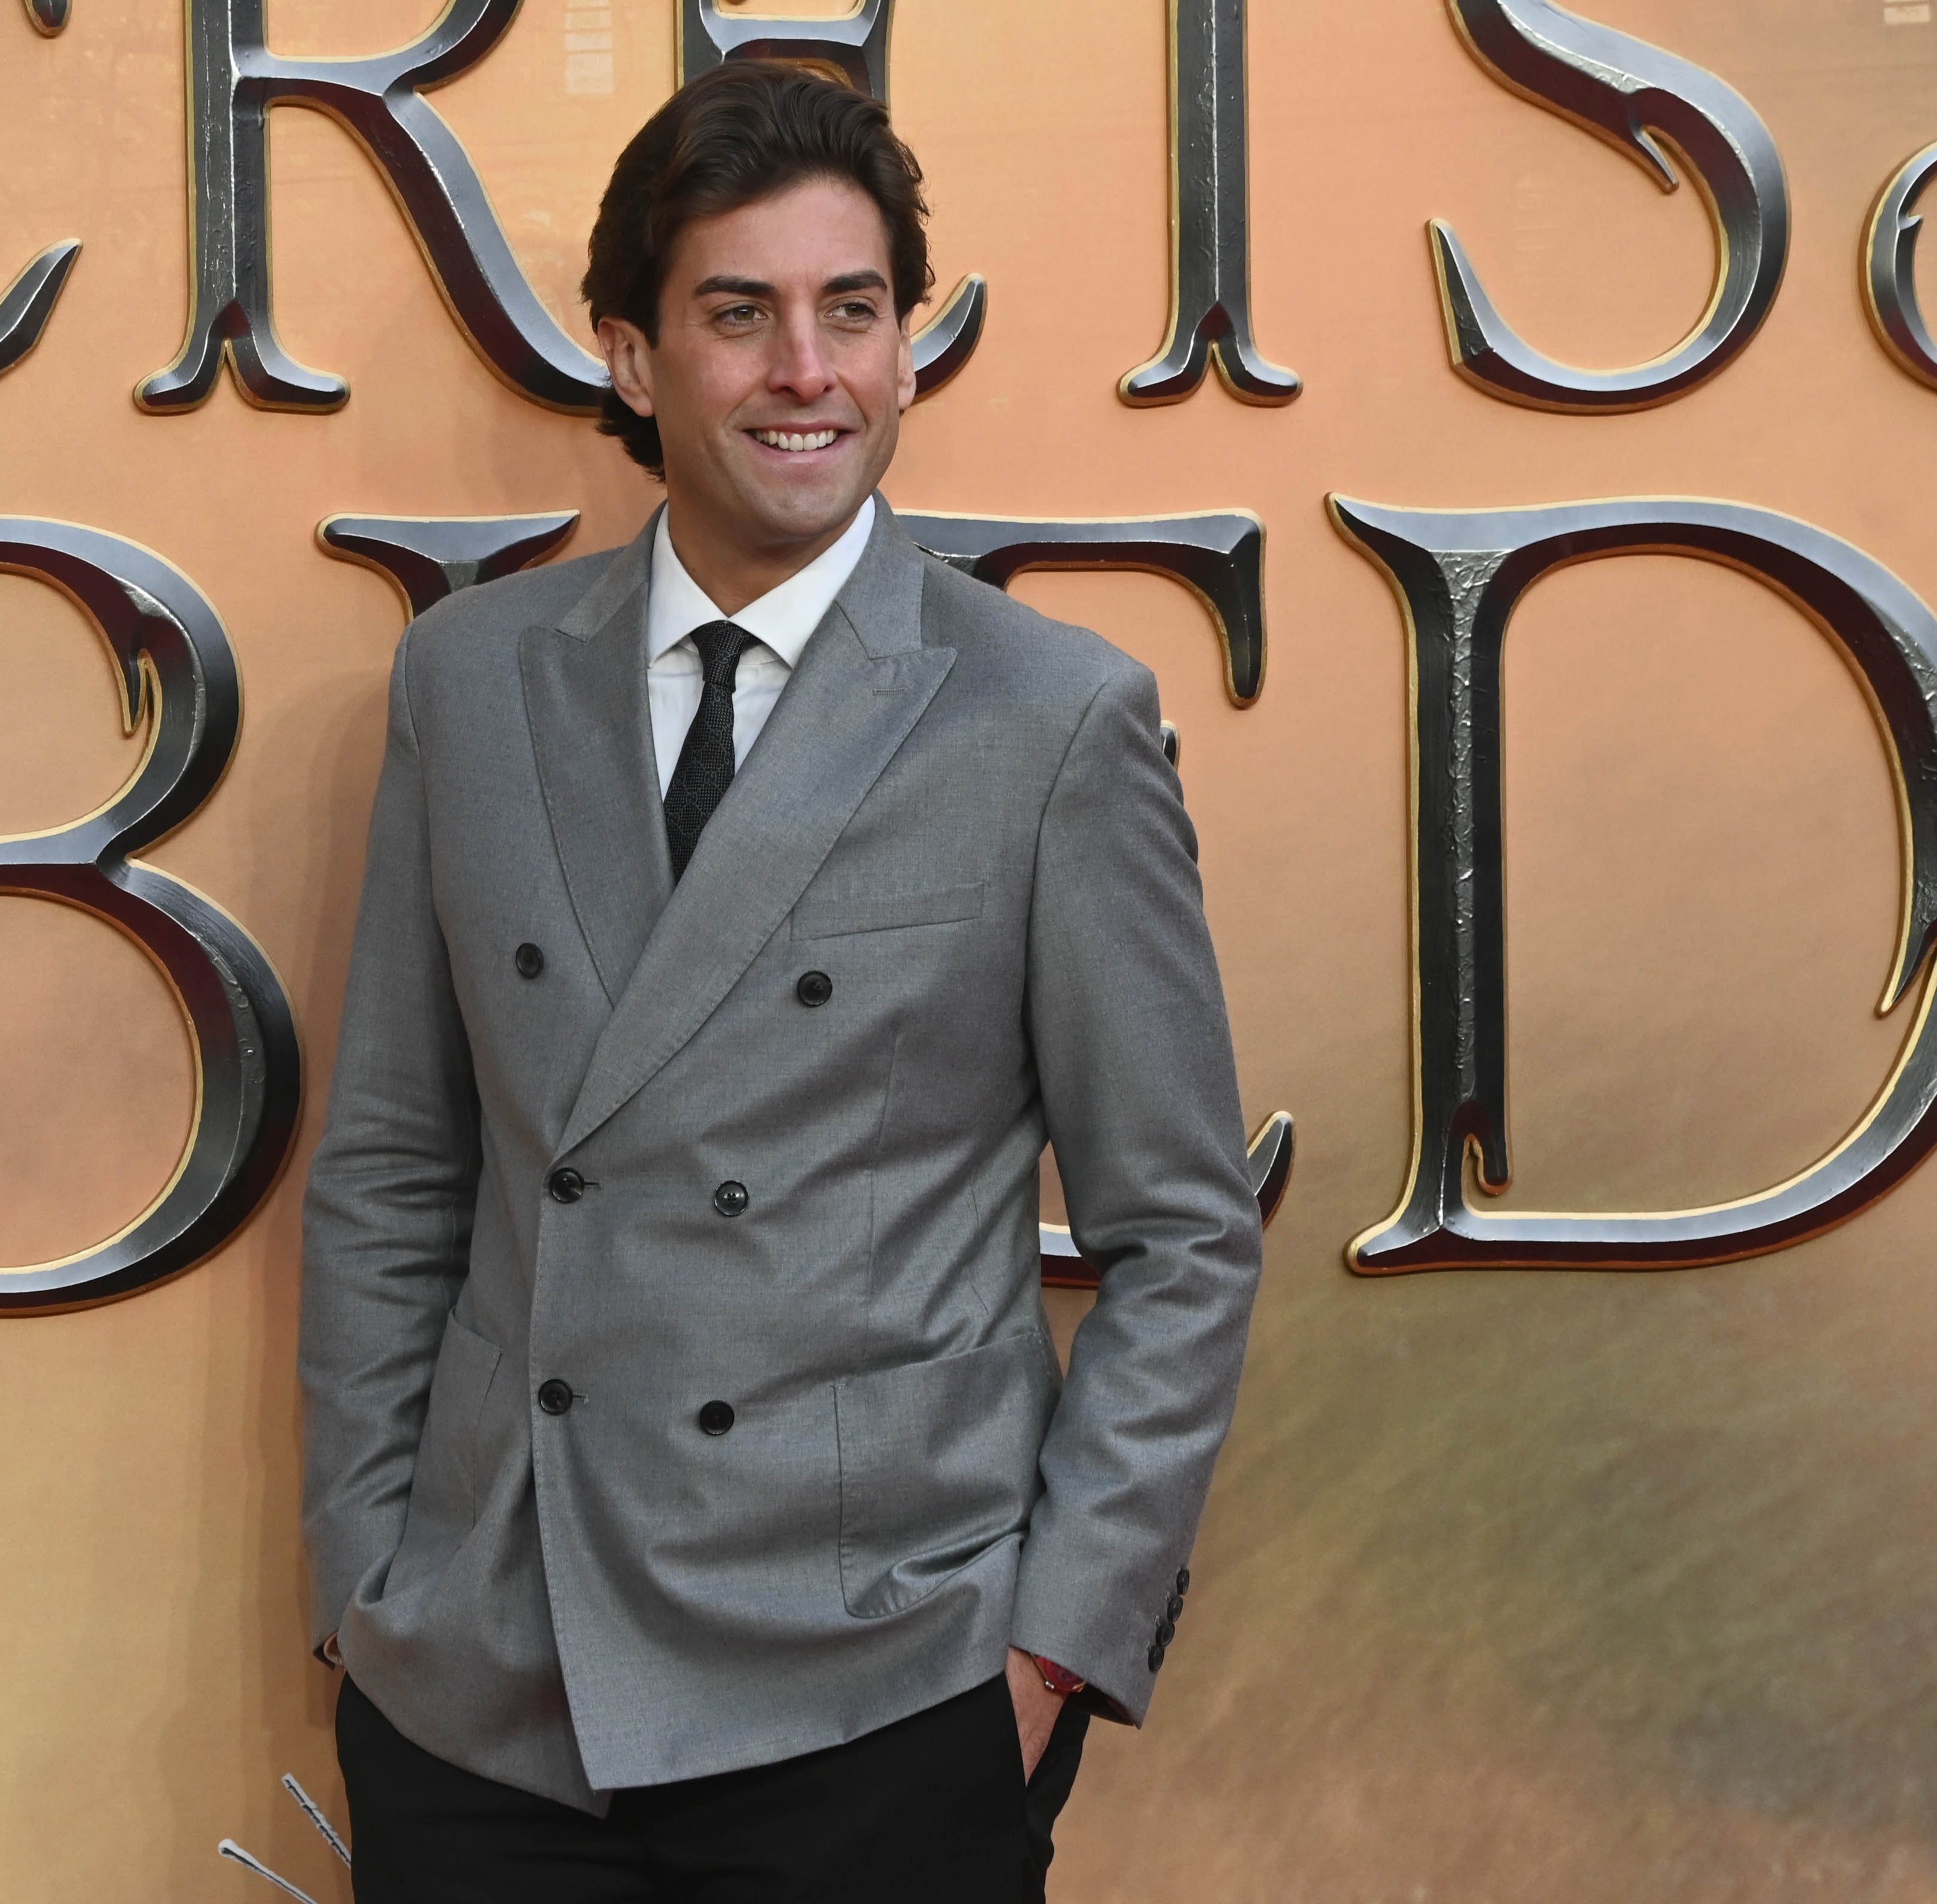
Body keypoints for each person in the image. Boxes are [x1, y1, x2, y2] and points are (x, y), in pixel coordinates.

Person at [299, 61, 1262, 1903]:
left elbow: (1182, 1228)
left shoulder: (1047, 719)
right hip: (492, 1684)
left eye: (851, 311)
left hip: (879, 1687)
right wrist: (369, 1580)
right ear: (632, 357)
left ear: (904, 351)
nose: (802, 371)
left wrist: (1050, 1645)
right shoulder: (472, 685)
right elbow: (394, 1169)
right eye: (737, 316)